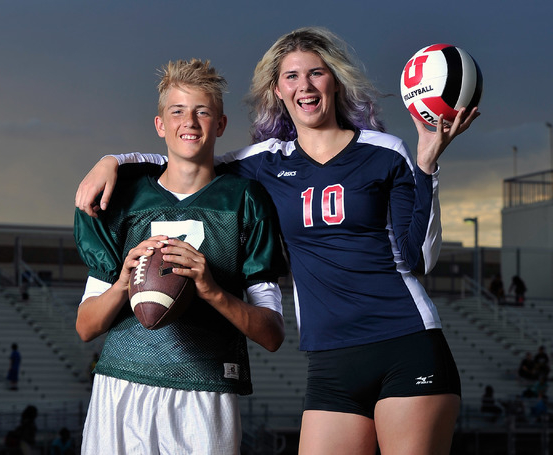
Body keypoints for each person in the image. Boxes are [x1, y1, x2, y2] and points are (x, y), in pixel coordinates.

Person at [74, 27, 479, 455]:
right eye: (291, 76)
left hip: (405, 339)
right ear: (278, 90)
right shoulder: (265, 162)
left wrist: (427, 165)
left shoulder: (386, 151)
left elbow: (419, 258)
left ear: (334, 81)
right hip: (330, 357)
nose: (304, 85)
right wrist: (113, 160)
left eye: (316, 73)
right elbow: (190, 156)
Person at [74, 58, 287, 454]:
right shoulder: (121, 199)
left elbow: (272, 334)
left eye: (202, 112)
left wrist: (212, 290)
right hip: (122, 385)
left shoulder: (246, 201)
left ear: (220, 125)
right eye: (177, 111)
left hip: (204, 392)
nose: (189, 122)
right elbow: (86, 327)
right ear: (160, 125)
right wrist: (124, 281)